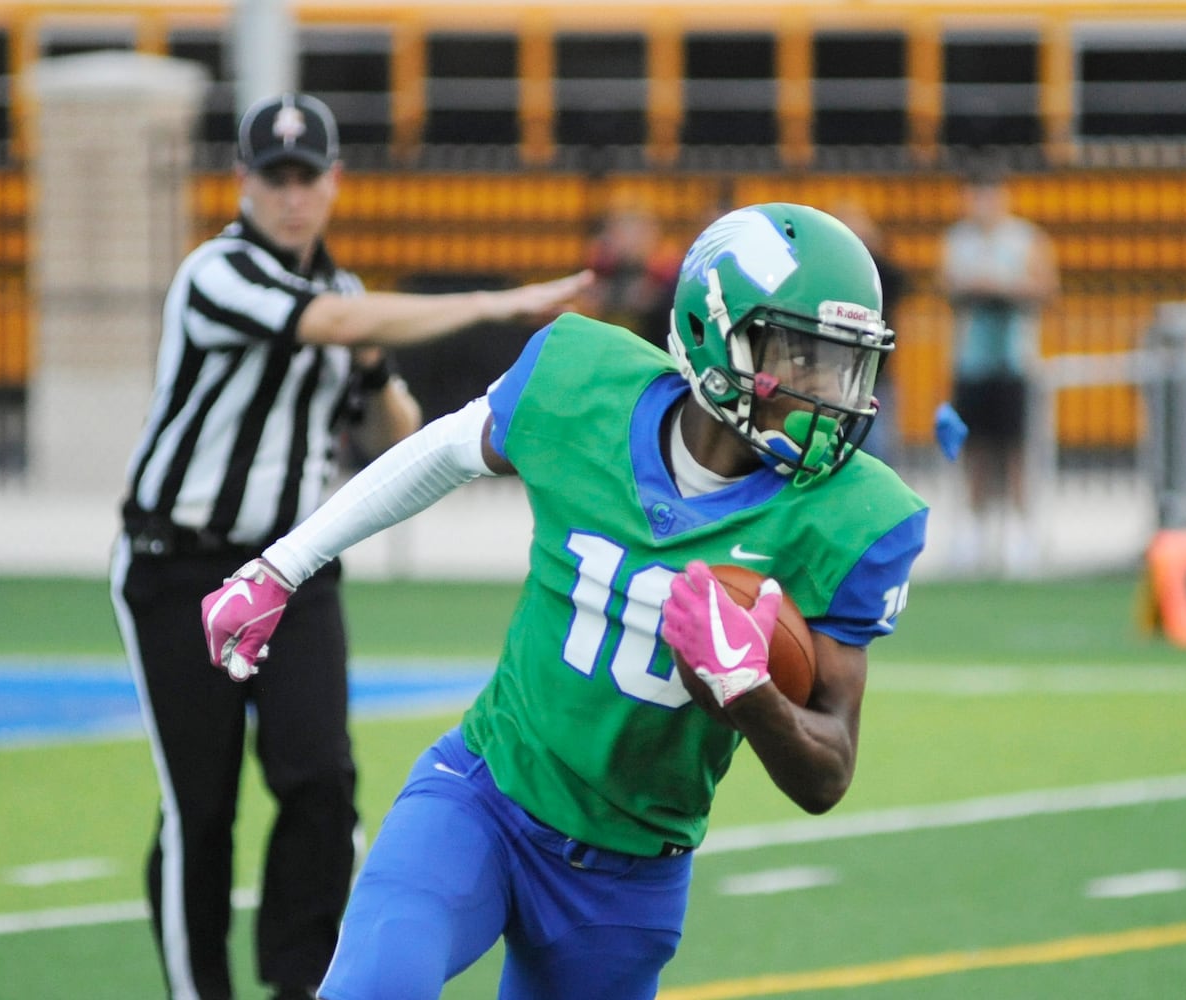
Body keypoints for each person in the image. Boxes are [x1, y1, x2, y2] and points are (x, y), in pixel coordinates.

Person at [201, 203, 928, 1000]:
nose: (829, 392)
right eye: (802, 357)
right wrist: (282, 566)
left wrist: (748, 695)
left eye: (843, 364)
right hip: (483, 796)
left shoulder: (854, 517)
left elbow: (826, 775)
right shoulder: (585, 383)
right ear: (717, 333)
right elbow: (445, 449)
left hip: (628, 874)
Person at [109, 91, 591, 1000]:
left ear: (334, 182)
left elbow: (391, 432)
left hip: (292, 568)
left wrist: (376, 372)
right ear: (245, 183)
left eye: (306, 177)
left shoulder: (350, 301)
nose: (291, 196)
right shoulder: (216, 272)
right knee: (200, 810)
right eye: (273, 177)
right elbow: (323, 324)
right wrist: (501, 302)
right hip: (181, 564)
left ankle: (299, 985)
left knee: (321, 783)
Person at [940, 163, 1058, 574]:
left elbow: (1046, 288)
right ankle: (972, 533)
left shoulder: (1025, 239)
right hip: (971, 362)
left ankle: (1021, 536)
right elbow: (948, 285)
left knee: (1015, 450)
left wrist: (1001, 287)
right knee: (975, 449)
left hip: (1014, 361)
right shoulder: (958, 240)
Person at [829, 198, 910, 465]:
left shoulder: (881, 273)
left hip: (873, 378)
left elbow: (901, 280)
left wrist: (868, 250)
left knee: (876, 451)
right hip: (829, 377)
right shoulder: (828, 275)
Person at [582, 202, 681, 350]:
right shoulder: (602, 268)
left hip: (661, 350)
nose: (632, 241)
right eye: (623, 233)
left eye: (639, 233)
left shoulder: (668, 270)